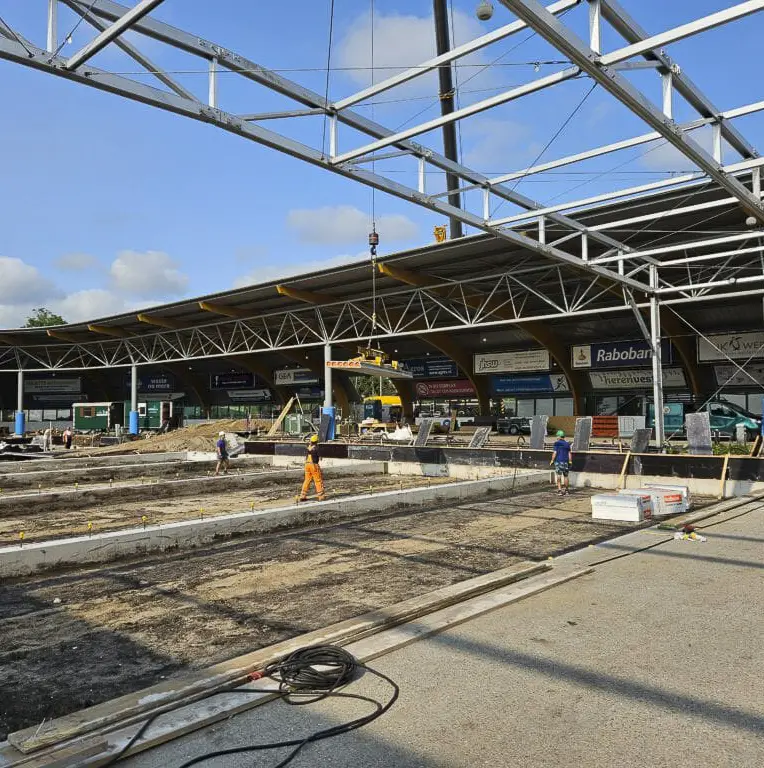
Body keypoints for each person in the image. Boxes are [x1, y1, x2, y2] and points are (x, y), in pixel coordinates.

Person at [299, 434, 325, 502]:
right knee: (318, 480)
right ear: (316, 441)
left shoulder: (308, 447)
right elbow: (320, 458)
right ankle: (321, 496)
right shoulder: (317, 448)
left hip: (307, 465)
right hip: (313, 465)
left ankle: (302, 495)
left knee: (307, 480)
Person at [550, 429, 573, 495]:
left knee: (559, 476)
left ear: (559, 436)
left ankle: (560, 491)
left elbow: (555, 453)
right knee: (566, 476)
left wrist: (552, 460)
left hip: (558, 461)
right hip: (566, 462)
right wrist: (570, 461)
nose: (556, 437)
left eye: (557, 436)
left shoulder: (557, 443)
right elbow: (569, 453)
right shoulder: (567, 444)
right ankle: (567, 491)